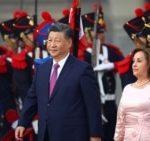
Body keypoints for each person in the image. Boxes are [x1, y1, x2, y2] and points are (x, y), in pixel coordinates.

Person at [15, 22, 102, 141]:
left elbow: (93, 105)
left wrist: (95, 135)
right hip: (45, 134)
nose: (52, 45)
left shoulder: (82, 69)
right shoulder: (42, 68)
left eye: (57, 41)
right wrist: (22, 122)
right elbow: (32, 98)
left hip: (72, 135)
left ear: (69, 43)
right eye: (50, 40)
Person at [114, 47, 150, 141]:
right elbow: (120, 120)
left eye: (139, 61)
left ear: (148, 64)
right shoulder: (127, 88)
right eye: (133, 61)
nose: (134, 64)